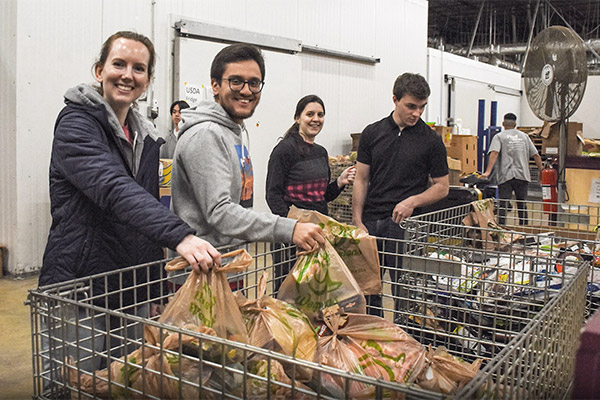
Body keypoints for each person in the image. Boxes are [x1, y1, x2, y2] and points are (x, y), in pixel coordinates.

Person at [39, 31, 220, 372]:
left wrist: (155, 286)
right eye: (118, 64)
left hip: (130, 288)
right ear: (99, 71)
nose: (127, 75)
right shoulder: (76, 125)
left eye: (139, 68)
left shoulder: (146, 137)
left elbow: (143, 210)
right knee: (75, 385)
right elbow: (113, 187)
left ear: (148, 80)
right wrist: (180, 235)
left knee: (127, 382)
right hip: (82, 289)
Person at [171, 43, 325, 255]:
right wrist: (290, 228)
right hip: (203, 274)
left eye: (254, 83)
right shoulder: (206, 134)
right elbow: (220, 212)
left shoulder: (233, 132)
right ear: (215, 85)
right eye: (236, 81)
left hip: (227, 262)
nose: (246, 90)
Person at [352, 72, 449, 316]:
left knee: (405, 290)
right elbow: (362, 179)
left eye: (422, 107)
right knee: (369, 289)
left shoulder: (431, 141)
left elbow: (442, 186)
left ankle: (404, 340)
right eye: (411, 106)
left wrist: (412, 201)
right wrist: (357, 221)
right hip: (372, 223)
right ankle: (375, 340)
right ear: (395, 100)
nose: (416, 113)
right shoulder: (372, 133)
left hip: (405, 226)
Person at [266, 94, 356, 290]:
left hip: (317, 233)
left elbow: (322, 196)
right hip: (291, 236)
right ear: (298, 117)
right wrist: (292, 227)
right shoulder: (284, 150)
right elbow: (273, 195)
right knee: (288, 290)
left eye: (320, 114)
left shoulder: (321, 152)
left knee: (314, 291)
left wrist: (340, 182)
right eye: (310, 114)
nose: (316, 119)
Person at [481, 113, 543, 225]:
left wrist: (488, 172)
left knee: (503, 204)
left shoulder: (499, 137)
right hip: (522, 175)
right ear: (515, 124)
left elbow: (494, 152)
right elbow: (536, 155)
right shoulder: (524, 137)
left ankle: (502, 230)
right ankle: (524, 229)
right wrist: (541, 171)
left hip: (506, 176)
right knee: (522, 203)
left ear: (503, 124)